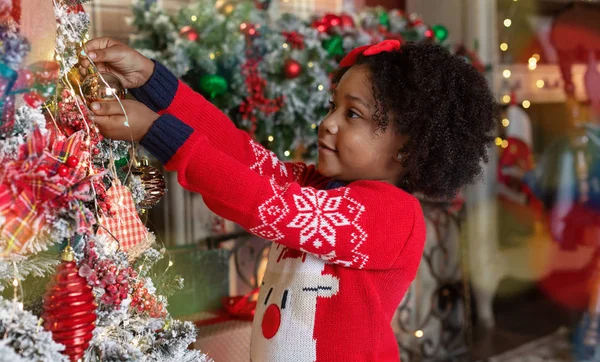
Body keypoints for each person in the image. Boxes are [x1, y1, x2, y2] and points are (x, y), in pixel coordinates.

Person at [80, 37, 498, 361]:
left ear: (407, 148)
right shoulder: (316, 184)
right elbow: (239, 153)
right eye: (332, 107)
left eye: (352, 115)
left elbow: (268, 207)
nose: (327, 123)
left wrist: (158, 133)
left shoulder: (393, 215)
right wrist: (154, 83)